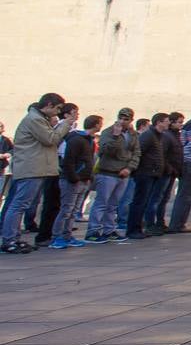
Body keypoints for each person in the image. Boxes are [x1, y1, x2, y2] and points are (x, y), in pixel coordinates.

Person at [3, 94, 75, 254]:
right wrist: (66, 124)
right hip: (31, 169)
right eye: (57, 109)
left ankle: (14, 238)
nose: (58, 113)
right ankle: (9, 240)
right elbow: (51, 139)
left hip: (35, 168)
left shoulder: (39, 119)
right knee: (18, 205)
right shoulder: (35, 119)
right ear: (49, 105)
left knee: (21, 205)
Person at [88, 108, 139, 243]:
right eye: (120, 118)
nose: (122, 121)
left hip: (123, 173)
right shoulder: (108, 132)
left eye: (126, 119)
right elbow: (105, 151)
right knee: (101, 202)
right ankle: (93, 231)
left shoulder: (132, 134)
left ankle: (109, 230)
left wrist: (129, 168)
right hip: (108, 172)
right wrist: (116, 137)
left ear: (131, 120)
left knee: (113, 204)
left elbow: (136, 153)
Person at [33, 102, 79, 247]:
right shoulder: (59, 126)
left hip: (63, 168)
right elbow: (54, 141)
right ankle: (44, 235)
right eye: (74, 112)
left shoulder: (71, 128)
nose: (77, 115)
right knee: (51, 203)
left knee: (60, 204)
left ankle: (58, 233)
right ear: (66, 114)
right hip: (55, 169)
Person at [52, 114, 101, 249]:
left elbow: (89, 160)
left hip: (83, 179)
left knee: (73, 210)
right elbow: (69, 160)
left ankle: (67, 235)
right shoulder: (77, 139)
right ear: (96, 124)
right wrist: (74, 177)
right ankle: (57, 236)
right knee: (66, 209)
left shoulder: (89, 140)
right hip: (74, 180)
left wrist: (88, 176)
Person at [126, 114, 169, 239]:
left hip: (153, 173)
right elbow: (139, 152)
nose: (168, 124)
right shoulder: (148, 136)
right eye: (166, 121)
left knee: (144, 202)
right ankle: (133, 229)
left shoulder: (158, 136)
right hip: (145, 173)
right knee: (139, 202)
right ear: (159, 122)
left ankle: (138, 228)